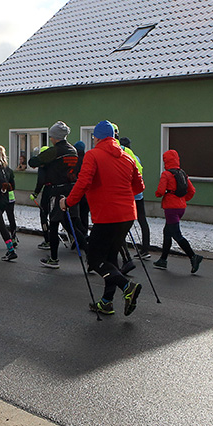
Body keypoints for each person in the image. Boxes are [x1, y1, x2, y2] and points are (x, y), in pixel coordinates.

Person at [62, 120, 144, 316]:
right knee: (110, 258)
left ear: (97, 137)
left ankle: (127, 287)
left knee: (94, 259)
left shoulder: (93, 155)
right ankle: (107, 302)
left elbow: (83, 183)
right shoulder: (127, 157)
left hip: (107, 216)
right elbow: (139, 187)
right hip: (127, 215)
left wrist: (68, 202)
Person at [29, 121, 81, 269]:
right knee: (72, 227)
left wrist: (41, 161)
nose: (50, 138)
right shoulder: (73, 150)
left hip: (56, 191)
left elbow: (33, 161)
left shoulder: (54, 151)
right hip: (71, 190)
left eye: (51, 136)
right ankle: (89, 256)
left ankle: (54, 258)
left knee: (54, 223)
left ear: (55, 137)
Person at [153, 149, 204, 273]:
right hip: (181, 207)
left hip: (171, 208)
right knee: (167, 232)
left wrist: (158, 195)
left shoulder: (166, 174)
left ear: (166, 161)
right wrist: (182, 199)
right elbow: (192, 191)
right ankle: (163, 260)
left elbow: (160, 191)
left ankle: (193, 256)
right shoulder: (182, 173)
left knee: (176, 234)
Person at [119, 136, 151, 259]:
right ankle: (145, 249)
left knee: (124, 222)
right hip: (139, 195)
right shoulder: (136, 157)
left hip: (129, 195)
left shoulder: (124, 157)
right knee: (142, 221)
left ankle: (120, 247)